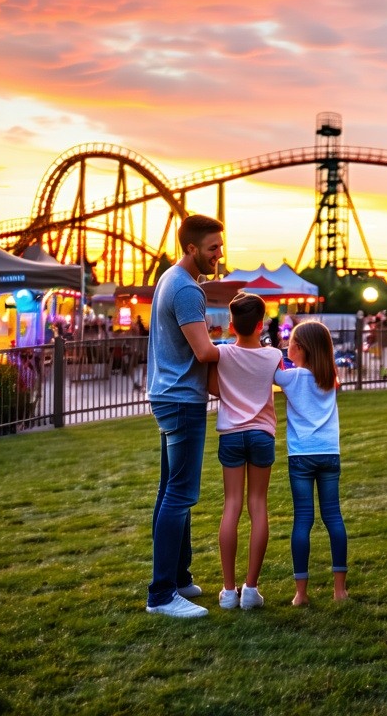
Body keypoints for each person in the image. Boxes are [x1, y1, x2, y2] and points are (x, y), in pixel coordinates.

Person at [145, 214, 224, 618]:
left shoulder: (168, 278)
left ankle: (177, 578)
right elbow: (205, 352)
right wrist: (244, 347)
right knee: (181, 493)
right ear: (191, 248)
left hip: (167, 396)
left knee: (169, 490)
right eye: (213, 248)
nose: (219, 254)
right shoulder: (188, 290)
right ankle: (161, 595)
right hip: (181, 401)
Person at [207, 291, 282, 611]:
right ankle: (251, 589)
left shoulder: (222, 354)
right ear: (261, 324)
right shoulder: (274, 355)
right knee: (258, 505)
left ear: (232, 325)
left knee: (232, 506)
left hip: (232, 436)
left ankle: (227, 591)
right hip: (262, 434)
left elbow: (213, 388)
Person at [274, 320, 349, 606]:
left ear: (301, 348)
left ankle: (301, 593)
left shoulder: (291, 378)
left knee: (303, 521)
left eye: (290, 341)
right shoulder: (330, 377)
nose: (286, 345)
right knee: (333, 518)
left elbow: (269, 367)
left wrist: (275, 355)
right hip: (330, 453)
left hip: (301, 456)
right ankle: (339, 590)